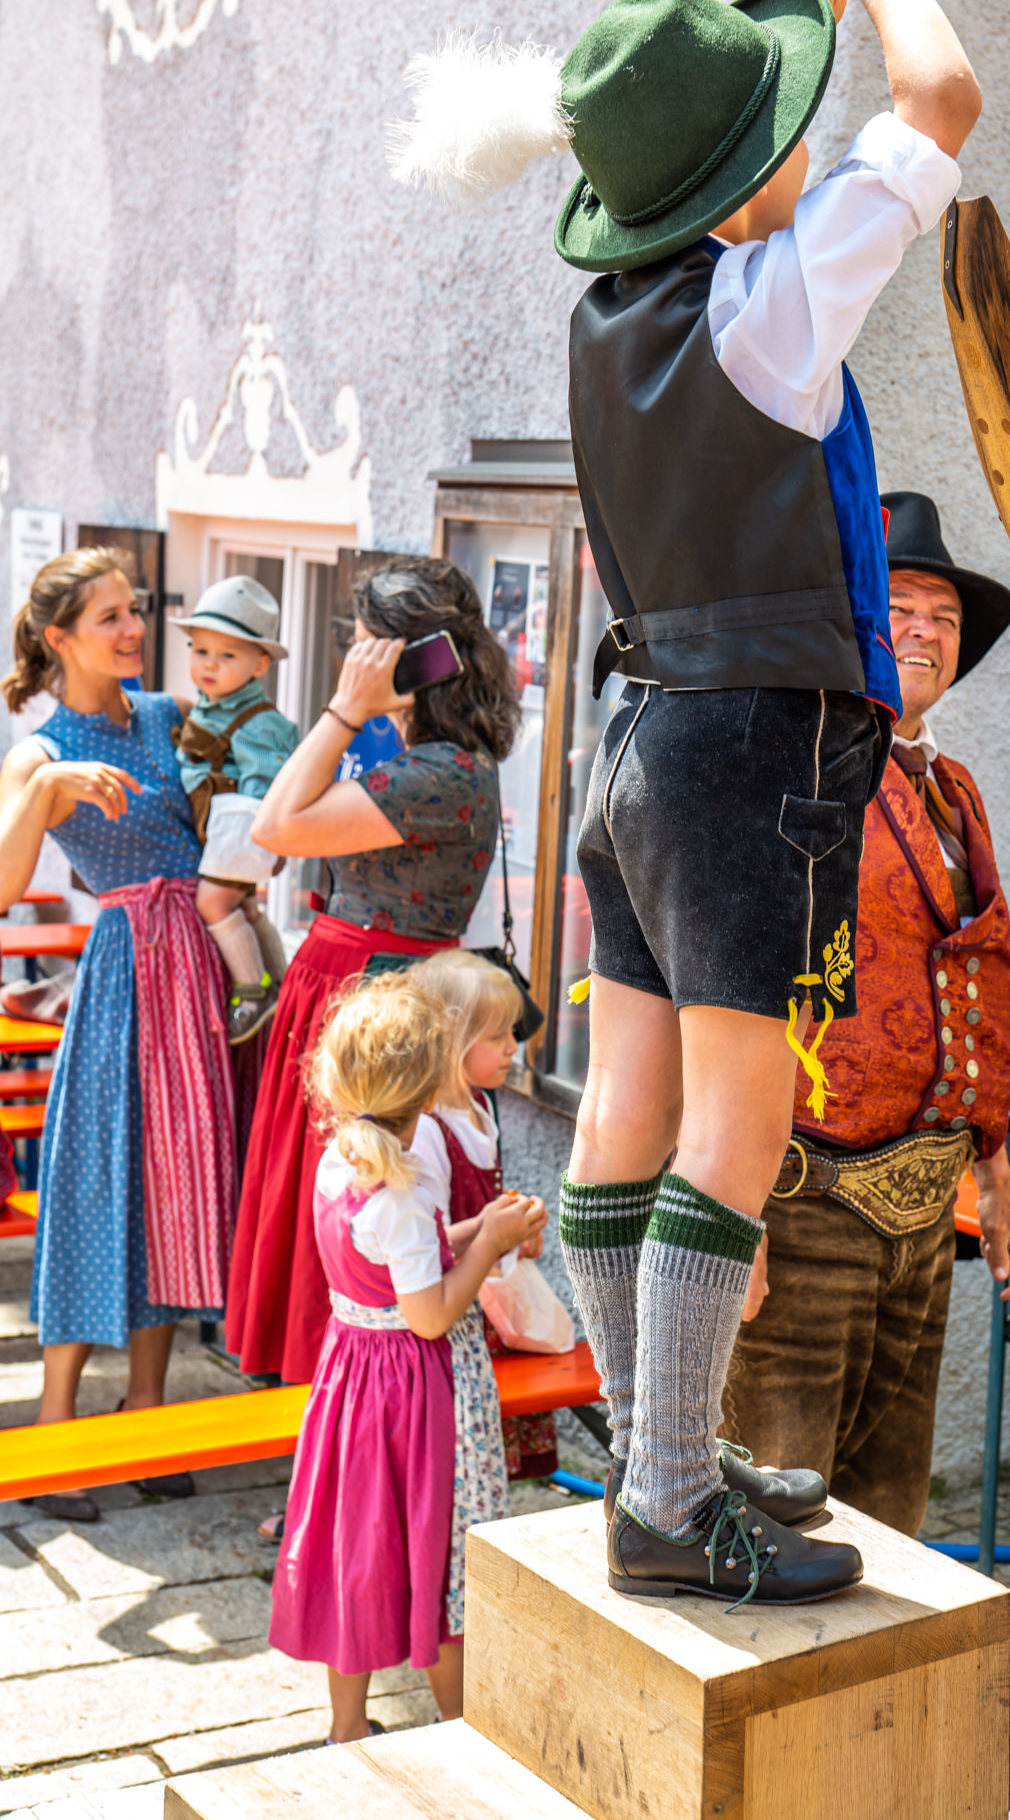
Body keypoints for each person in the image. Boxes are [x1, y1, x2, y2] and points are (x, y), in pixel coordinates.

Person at [393, 0, 981, 1599]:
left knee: (627, 1112)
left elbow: (729, 152)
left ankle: (655, 1450)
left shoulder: (617, 314)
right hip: (747, 753)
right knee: (736, 1129)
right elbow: (942, 98)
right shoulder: (771, 305)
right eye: (776, 135)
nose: (805, 146)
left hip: (639, 738)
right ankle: (662, 1497)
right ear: (734, 188)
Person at [723, 493, 1010, 1535]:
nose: (925, 630)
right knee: (775, 1526)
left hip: (924, 1219)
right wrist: (727, 1217)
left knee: (889, 1527)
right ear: (850, 625)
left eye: (943, 617)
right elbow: (719, 985)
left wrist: (994, 1175)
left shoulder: (955, 788)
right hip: (799, 1210)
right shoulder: (787, 769)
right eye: (898, 607)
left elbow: (977, 981)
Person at [225, 557, 521, 1386]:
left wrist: (343, 710)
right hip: (357, 991)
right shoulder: (433, 761)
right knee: (329, 1201)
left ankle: (342, 1407)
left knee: (354, 1207)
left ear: (415, 659)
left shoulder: (440, 772)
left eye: (366, 645)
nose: (353, 660)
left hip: (374, 1000)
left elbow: (275, 828)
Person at [0, 548, 236, 1519]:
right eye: (111, 616)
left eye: (135, 610)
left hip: (197, 969)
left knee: (174, 1188)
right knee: (95, 1183)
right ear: (59, 638)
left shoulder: (167, 714)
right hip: (124, 971)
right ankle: (55, 1427)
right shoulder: (39, 750)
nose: (135, 628)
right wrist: (44, 791)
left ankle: (147, 1409)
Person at [267, 972, 545, 1738]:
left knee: (361, 1545)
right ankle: (459, 1722)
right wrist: (487, 1243)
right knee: (439, 1547)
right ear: (427, 1094)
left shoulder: (340, 1163)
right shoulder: (400, 1190)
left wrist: (476, 1228)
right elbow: (427, 1315)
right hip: (415, 1392)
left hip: (352, 1376)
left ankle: (347, 1726)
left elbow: (398, 1263)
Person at [409, 950, 550, 1615]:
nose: (512, 1047)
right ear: (449, 1041)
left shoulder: (478, 1108)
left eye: (511, 1032)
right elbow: (431, 1240)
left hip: (482, 1306)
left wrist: (519, 1229)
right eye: (495, 1036)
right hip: (450, 1315)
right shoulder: (425, 1129)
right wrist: (495, 1235)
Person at [169, 575, 297, 1045]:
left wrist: (254, 847)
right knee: (243, 905)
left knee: (212, 902)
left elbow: (266, 788)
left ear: (260, 664)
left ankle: (252, 990)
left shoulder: (257, 722)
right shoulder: (211, 706)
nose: (209, 664)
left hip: (239, 834)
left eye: (227, 656)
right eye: (201, 650)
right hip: (221, 834)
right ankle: (279, 981)